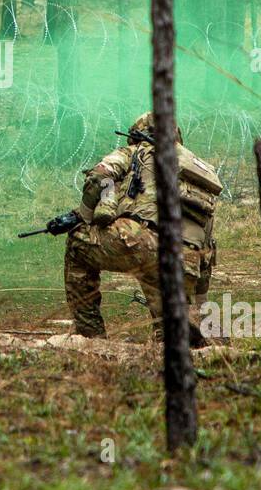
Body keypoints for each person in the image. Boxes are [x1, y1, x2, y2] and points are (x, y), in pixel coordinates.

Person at [62, 112, 222, 342]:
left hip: (142, 241)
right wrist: (199, 299)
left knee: (77, 242)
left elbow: (98, 178)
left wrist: (84, 217)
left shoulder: (138, 150)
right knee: (169, 333)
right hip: (185, 259)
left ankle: (91, 337)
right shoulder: (201, 172)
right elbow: (207, 245)